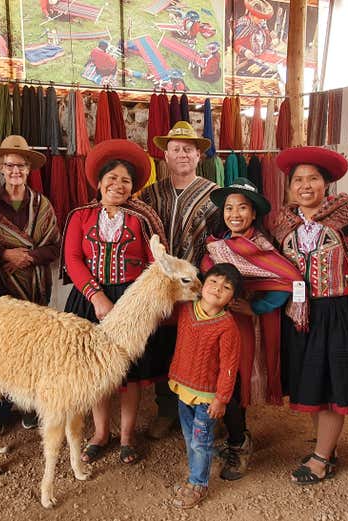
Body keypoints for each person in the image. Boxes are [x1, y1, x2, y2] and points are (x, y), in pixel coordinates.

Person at [269, 146, 348, 485]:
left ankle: (321, 457)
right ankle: (325, 449)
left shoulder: (347, 215)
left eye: (313, 179)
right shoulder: (282, 222)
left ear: (326, 183)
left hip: (339, 313)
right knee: (313, 384)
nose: (305, 186)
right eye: (298, 180)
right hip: (301, 316)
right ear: (290, 188)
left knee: (332, 386)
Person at [61, 139, 166, 465]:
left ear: (133, 187)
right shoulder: (80, 216)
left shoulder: (143, 217)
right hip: (90, 300)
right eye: (113, 178)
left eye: (126, 180)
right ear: (99, 181)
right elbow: (73, 259)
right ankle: (100, 433)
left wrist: (139, 303)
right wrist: (96, 295)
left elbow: (157, 264)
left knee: (129, 374)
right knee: (98, 372)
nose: (118, 185)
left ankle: (127, 436)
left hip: (131, 303)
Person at [200, 178, 302, 480]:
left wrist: (255, 307)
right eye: (229, 208)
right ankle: (229, 435)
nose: (235, 214)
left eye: (242, 208)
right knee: (216, 379)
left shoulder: (262, 247)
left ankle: (238, 443)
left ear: (253, 213)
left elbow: (290, 281)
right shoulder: (217, 246)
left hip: (244, 327)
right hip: (215, 323)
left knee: (232, 382)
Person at [140, 121, 222, 439]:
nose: (182, 154)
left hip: (197, 285)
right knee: (162, 345)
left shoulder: (213, 195)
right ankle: (166, 409)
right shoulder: (149, 194)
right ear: (166, 155)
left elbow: (219, 240)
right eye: (176, 149)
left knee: (198, 344)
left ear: (199, 155)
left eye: (189, 149)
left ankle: (201, 412)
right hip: (160, 284)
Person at [0, 135, 61, 431]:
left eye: (21, 165)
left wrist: (29, 257)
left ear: (28, 169)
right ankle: (2, 408)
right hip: (2, 289)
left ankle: (30, 405)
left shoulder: (43, 205)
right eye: (10, 164)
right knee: (2, 347)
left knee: (34, 347)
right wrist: (4, 254)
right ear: (0, 167)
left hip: (35, 287)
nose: (15, 170)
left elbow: (54, 246)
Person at [168, 263, 242, 509]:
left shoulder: (227, 326)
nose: (218, 288)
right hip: (183, 389)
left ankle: (198, 483)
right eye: (214, 281)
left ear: (232, 299)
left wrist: (221, 398)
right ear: (202, 283)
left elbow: (229, 366)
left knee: (200, 440)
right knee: (190, 437)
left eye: (227, 287)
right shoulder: (186, 310)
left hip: (206, 398)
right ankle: (194, 477)